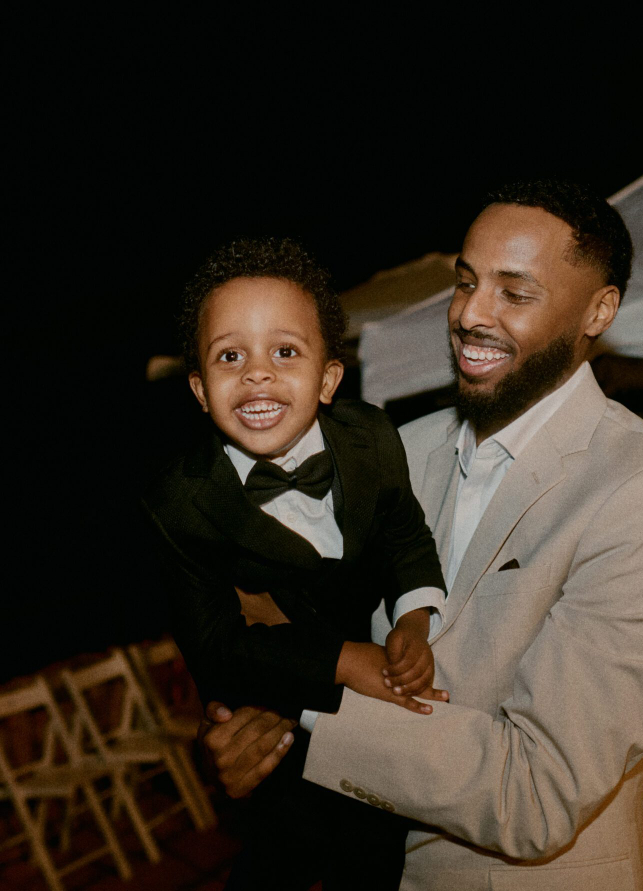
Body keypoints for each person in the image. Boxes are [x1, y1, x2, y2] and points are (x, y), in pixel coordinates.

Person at [203, 180, 643, 889]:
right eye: (467, 281)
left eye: (515, 292)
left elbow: (536, 794)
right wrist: (261, 730)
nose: (470, 313)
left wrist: (307, 704)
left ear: (598, 310)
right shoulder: (398, 454)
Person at [142, 237, 449, 890]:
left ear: (329, 377)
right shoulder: (180, 501)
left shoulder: (370, 437)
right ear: (199, 388)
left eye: (285, 351)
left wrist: (415, 618)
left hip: (386, 746)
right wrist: (344, 660)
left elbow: (403, 534)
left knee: (376, 863)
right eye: (231, 355)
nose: (257, 373)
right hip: (276, 732)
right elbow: (216, 645)